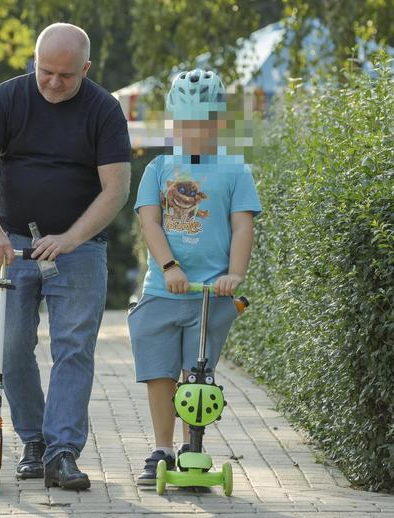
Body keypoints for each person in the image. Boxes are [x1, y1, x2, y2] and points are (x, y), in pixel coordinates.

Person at [0, 23, 131, 490]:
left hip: (79, 251)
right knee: (10, 348)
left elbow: (116, 189)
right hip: (11, 244)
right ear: (34, 62)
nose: (54, 83)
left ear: (86, 69)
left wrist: (72, 238)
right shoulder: (7, 98)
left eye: (66, 76)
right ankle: (32, 441)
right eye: (46, 72)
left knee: (73, 348)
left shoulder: (104, 109)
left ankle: (62, 453)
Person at [127, 69, 262, 485]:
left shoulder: (235, 171)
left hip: (211, 294)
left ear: (218, 120)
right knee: (160, 374)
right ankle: (161, 448)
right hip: (163, 290)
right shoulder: (159, 167)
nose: (194, 131)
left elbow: (242, 227)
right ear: (174, 122)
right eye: (185, 123)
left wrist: (234, 274)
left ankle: (192, 448)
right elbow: (150, 224)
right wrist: (169, 268)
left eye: (203, 122)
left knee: (197, 375)